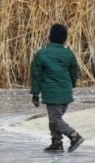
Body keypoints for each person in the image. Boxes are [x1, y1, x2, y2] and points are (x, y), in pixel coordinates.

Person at [31, 24, 84, 153]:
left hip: (52, 93)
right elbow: (73, 72)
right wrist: (71, 86)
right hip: (66, 92)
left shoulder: (41, 54)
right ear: (65, 39)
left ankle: (74, 136)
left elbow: (36, 76)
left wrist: (35, 94)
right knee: (54, 118)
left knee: (55, 120)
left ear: (50, 37)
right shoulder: (69, 54)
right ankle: (57, 143)